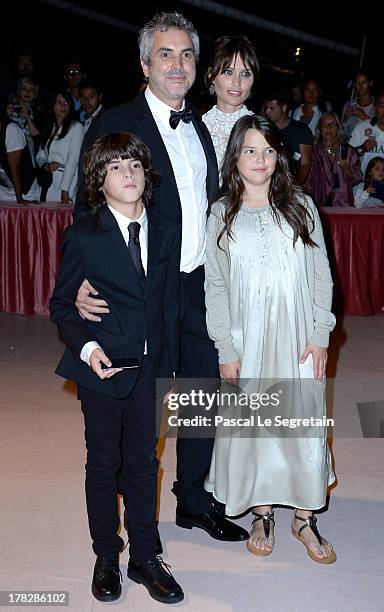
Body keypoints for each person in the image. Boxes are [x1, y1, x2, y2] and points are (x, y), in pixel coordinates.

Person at [74, 11, 248, 543]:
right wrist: (84, 277)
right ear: (145, 63)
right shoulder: (116, 122)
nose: (178, 65)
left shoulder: (198, 123)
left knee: (201, 396)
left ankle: (192, 501)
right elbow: (86, 208)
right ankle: (126, 518)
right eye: (166, 54)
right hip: (141, 290)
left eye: (187, 54)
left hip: (197, 286)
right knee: (141, 403)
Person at [49, 132, 184, 604]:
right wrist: (87, 349)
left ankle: (146, 556)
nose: (127, 173)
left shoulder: (166, 229)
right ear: (98, 181)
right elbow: (63, 304)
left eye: (134, 165)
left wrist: (170, 365)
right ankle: (107, 552)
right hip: (103, 372)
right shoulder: (85, 235)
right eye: (114, 167)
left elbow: (168, 303)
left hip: (151, 371)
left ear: (147, 175)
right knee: (104, 464)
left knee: (145, 464)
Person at [204, 115, 337, 562]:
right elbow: (216, 286)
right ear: (235, 157)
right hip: (249, 339)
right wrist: (226, 345)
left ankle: (304, 516)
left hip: (299, 335)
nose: (260, 160)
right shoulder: (221, 213)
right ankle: (261, 510)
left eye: (267, 150)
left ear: (278, 155)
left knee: (301, 421)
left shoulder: (301, 205)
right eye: (249, 150)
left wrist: (321, 333)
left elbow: (321, 273)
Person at [202, 35, 259, 169]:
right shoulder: (195, 127)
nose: (237, 82)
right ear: (211, 76)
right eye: (228, 72)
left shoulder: (259, 130)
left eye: (245, 74)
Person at [349, 92, 384, 188]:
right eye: (381, 105)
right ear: (375, 107)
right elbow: (346, 158)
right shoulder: (361, 127)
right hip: (362, 191)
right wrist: (362, 148)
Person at [304, 112, 362, 207]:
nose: (328, 128)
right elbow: (306, 183)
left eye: (332, 124)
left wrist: (347, 169)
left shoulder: (347, 151)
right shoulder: (313, 153)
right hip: (319, 205)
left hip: (343, 204)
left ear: (338, 128)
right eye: (324, 124)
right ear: (319, 129)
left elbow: (358, 177)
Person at [36, 90, 84, 203]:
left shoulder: (76, 127)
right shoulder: (49, 127)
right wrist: (46, 165)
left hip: (65, 184)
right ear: (52, 105)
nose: (63, 106)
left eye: (66, 102)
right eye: (59, 102)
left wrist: (65, 190)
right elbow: (40, 155)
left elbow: (73, 160)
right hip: (46, 184)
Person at [262, 90, 313, 184]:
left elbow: (305, 164)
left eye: (272, 108)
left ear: (284, 108)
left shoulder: (302, 131)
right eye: (266, 107)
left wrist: (293, 186)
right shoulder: (264, 130)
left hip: (290, 182)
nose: (267, 111)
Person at [0, 114, 40, 203]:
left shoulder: (11, 129)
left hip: (24, 191)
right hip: (4, 190)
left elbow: (15, 168)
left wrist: (19, 199)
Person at [342, 71, 375, 141]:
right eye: (357, 83)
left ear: (370, 83)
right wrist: (346, 118)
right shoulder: (349, 105)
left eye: (363, 82)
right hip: (352, 148)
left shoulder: (378, 106)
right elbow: (342, 133)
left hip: (373, 148)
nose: (360, 86)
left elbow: (383, 132)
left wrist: (365, 117)